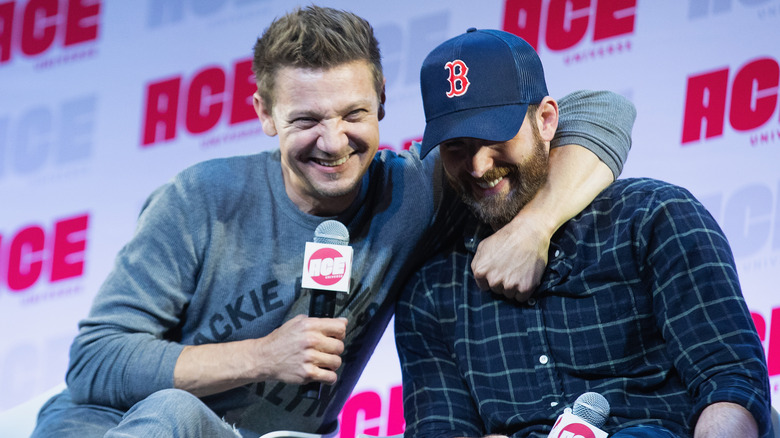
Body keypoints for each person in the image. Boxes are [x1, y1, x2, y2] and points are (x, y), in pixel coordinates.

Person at [31, 7, 633, 438]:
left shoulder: (421, 187)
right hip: (114, 426)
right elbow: (95, 362)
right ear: (265, 113)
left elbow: (603, 110)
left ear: (382, 105)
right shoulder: (198, 200)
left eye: (354, 114)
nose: (334, 142)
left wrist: (535, 226)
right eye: (306, 120)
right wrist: (262, 356)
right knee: (172, 412)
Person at [395, 27, 772, 438]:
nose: (479, 166)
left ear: (546, 120)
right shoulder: (431, 293)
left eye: (495, 137)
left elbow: (730, 381)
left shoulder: (651, 218)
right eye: (456, 147)